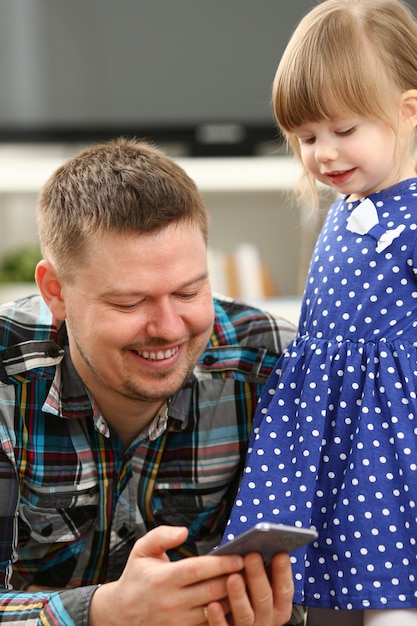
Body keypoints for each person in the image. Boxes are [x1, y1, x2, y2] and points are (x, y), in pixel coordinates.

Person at [0, 137, 302, 626]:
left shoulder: (271, 366)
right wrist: (103, 612)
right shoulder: (5, 383)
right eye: (129, 303)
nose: (167, 328)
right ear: (55, 292)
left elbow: (334, 572)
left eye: (189, 291)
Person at [221, 0, 417, 624]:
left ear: (409, 111)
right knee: (313, 583)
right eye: (306, 138)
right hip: (324, 422)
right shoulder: (342, 205)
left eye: (343, 130)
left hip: (389, 433)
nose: (323, 154)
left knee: (392, 589)